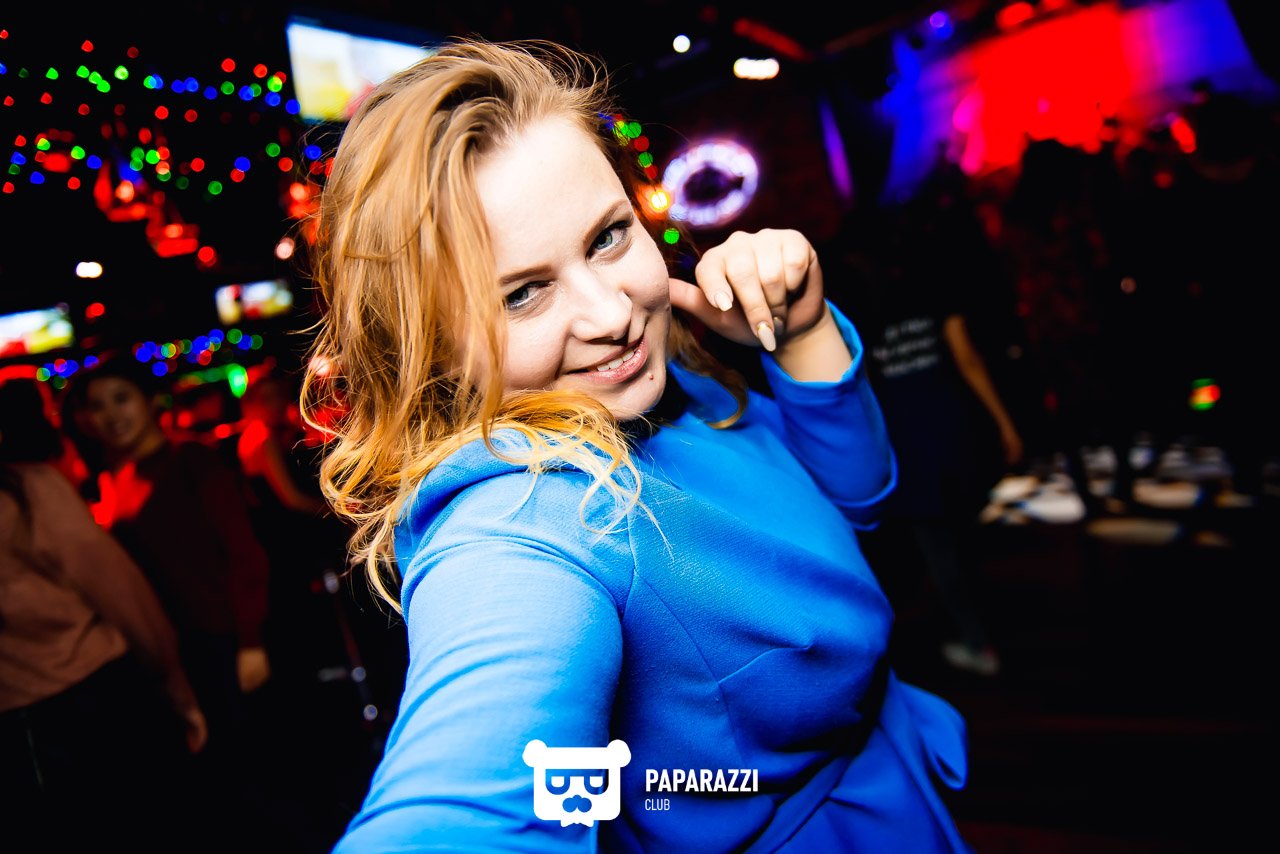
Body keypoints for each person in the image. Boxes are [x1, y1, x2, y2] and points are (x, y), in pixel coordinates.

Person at [303, 39, 972, 852]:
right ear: (436, 347)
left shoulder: (664, 383)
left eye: (608, 237)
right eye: (523, 293)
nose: (613, 314)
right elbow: (463, 813)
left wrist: (798, 333)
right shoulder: (522, 519)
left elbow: (860, 501)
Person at [61, 356, 273, 848]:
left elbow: (244, 553)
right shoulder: (111, 479)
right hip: (171, 653)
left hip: (221, 640)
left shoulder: (191, 461)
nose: (111, 415)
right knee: (208, 790)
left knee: (249, 782)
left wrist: (250, 641)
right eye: (97, 406)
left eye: (121, 399)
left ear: (151, 401)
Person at [0, 377, 207, 851]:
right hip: (90, 703)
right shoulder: (29, 490)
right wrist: (177, 687)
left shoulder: (179, 461)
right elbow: (123, 594)